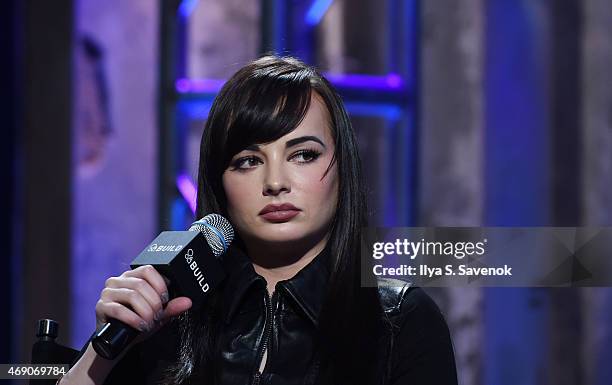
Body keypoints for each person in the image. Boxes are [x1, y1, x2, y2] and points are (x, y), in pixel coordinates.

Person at [60, 55, 458, 385]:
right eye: (248, 161)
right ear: (220, 182)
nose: (275, 182)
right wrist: (104, 350)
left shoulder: (398, 321)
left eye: (303, 155)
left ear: (342, 167)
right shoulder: (171, 318)